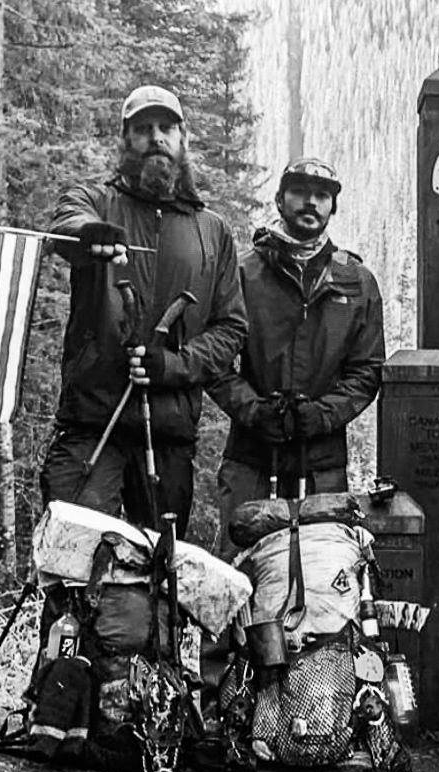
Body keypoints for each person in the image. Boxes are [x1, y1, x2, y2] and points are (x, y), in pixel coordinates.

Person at [40, 84, 248, 535]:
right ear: (125, 140)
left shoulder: (212, 231)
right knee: (71, 564)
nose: (156, 137)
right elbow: (65, 225)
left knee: (160, 577)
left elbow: (231, 327)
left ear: (183, 138)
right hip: (92, 424)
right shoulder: (96, 201)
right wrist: (90, 234)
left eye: (166, 127)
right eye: (142, 129)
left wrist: (172, 365)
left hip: (170, 433)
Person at [207, 156, 385, 556]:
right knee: (239, 577)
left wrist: (323, 414)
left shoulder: (356, 282)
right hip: (251, 460)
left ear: (332, 207)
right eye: (300, 192)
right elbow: (216, 362)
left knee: (321, 578)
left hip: (322, 465)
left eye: (322, 195)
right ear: (280, 200)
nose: (311, 203)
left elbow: (367, 370)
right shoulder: (243, 274)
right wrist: (254, 411)